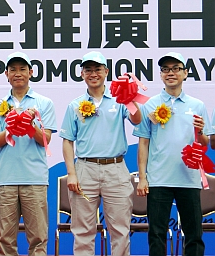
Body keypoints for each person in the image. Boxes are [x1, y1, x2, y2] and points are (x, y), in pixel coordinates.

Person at [59, 51, 140, 256]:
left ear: (106, 72)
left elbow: (137, 120)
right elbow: (68, 141)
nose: (93, 73)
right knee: (83, 231)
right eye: (88, 70)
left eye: (97, 69)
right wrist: (72, 173)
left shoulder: (118, 100)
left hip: (116, 169)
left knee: (120, 230)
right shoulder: (74, 105)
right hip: (85, 169)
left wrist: (129, 98)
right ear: (82, 73)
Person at [134, 52, 211, 256]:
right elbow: (143, 143)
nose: (171, 73)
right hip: (159, 179)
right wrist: (142, 178)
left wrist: (201, 131)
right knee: (157, 234)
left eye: (176, 68)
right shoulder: (150, 105)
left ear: (185, 73)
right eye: (166, 69)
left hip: (188, 179)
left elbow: (205, 144)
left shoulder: (197, 105)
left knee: (194, 234)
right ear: (160, 75)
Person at [0, 52, 57, 256]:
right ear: (6, 74)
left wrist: (28, 125)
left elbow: (46, 139)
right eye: (13, 70)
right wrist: (11, 127)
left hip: (34, 178)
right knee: (6, 239)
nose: (18, 73)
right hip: (6, 179)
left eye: (22, 69)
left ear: (31, 72)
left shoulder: (43, 103)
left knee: (38, 238)